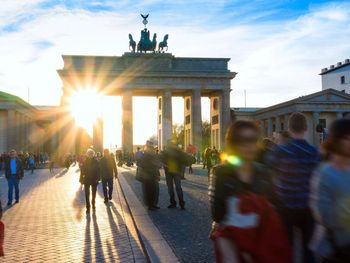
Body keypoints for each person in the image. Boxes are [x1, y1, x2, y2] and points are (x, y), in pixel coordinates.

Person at [209, 121, 291, 263]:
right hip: (235, 247)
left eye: (253, 140)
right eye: (243, 141)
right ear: (233, 144)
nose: (249, 146)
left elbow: (279, 208)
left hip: (262, 245)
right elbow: (218, 214)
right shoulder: (221, 173)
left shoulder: (264, 172)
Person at [270, 112, 319, 263]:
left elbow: (269, 172)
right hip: (307, 207)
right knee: (308, 249)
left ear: (289, 129)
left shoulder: (280, 151)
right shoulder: (313, 152)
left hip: (285, 205)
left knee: (286, 247)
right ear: (305, 127)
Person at [310, 118, 350, 262]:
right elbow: (324, 215)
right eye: (347, 137)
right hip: (332, 250)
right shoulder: (324, 173)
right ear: (336, 141)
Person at [161, 141, 187, 210]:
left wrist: (166, 165)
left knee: (170, 188)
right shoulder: (178, 151)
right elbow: (182, 161)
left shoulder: (165, 152)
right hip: (176, 171)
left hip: (168, 171)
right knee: (178, 188)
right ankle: (182, 204)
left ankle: (173, 203)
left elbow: (162, 162)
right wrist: (181, 172)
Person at [138, 141, 161, 210]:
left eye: (152, 147)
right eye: (150, 147)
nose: (152, 149)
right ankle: (150, 205)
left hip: (152, 175)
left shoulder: (152, 155)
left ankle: (153, 204)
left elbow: (156, 166)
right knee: (149, 191)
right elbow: (141, 164)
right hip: (147, 176)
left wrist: (157, 173)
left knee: (155, 190)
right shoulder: (145, 155)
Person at [81, 149, 100, 214]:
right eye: (89, 154)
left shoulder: (96, 161)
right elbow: (82, 171)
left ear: (93, 154)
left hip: (94, 180)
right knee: (87, 194)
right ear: (87, 154)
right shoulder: (85, 161)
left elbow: (98, 171)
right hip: (87, 180)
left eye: (91, 154)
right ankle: (88, 207)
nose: (90, 155)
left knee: (94, 193)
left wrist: (98, 178)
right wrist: (81, 179)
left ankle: (93, 203)